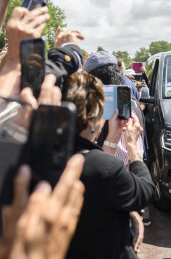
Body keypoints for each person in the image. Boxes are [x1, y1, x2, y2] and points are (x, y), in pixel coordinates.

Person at [62, 71, 154, 259]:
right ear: (91, 121)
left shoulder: (51, 155)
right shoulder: (106, 166)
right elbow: (143, 192)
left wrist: (112, 137)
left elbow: (95, 170)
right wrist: (132, 148)